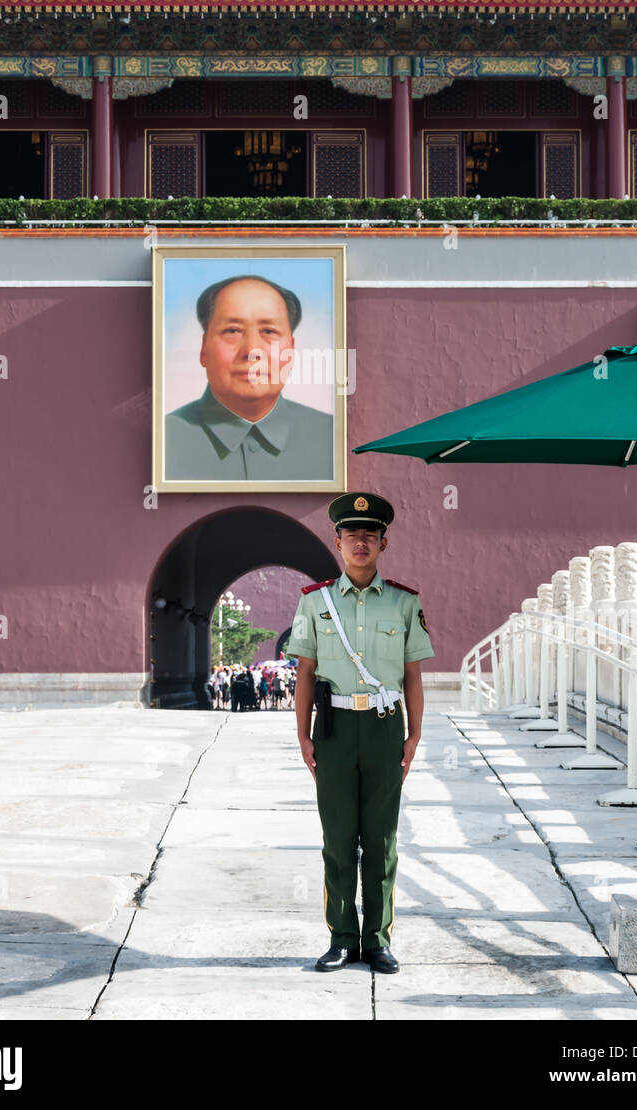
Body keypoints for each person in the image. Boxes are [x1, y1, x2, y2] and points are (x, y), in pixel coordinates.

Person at [292, 492, 434, 976]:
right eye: (351, 535)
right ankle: (340, 938)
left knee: (381, 839)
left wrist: (413, 736)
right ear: (337, 542)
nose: (360, 543)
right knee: (337, 838)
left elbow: (412, 676)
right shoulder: (314, 602)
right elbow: (305, 672)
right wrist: (303, 735)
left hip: (382, 727)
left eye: (369, 536)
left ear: (383, 543)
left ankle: (376, 940)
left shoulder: (403, 602)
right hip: (332, 728)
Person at [164, 276, 333, 481]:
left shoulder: (333, 438)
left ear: (291, 351)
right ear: (203, 349)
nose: (252, 351)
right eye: (233, 331)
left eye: (269, 331)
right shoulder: (162, 439)